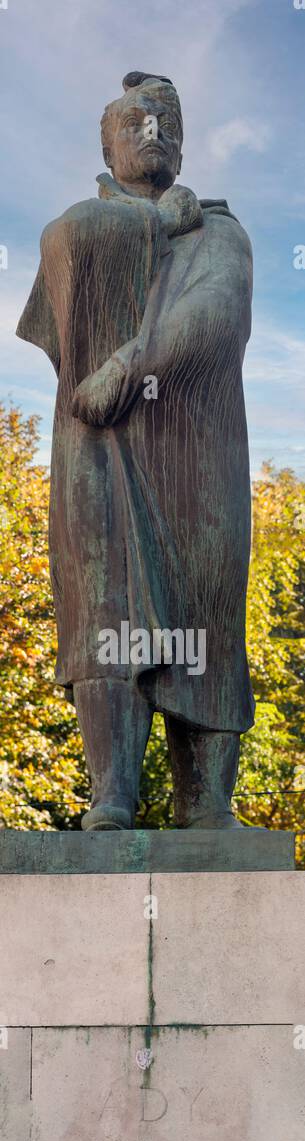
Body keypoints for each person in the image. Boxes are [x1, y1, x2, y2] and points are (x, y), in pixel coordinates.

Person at [17, 71, 255, 831]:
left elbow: (216, 318)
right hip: (96, 450)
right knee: (102, 610)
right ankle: (110, 792)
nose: (152, 136)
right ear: (107, 143)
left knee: (205, 612)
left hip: (196, 447)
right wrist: (148, 232)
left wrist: (129, 364)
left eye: (165, 127)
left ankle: (206, 802)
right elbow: (64, 321)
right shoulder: (77, 223)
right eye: (134, 124)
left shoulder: (219, 231)